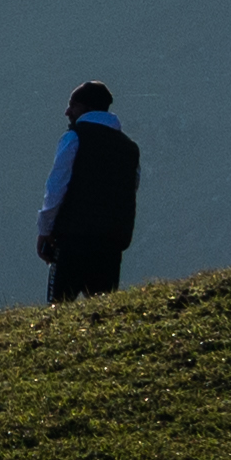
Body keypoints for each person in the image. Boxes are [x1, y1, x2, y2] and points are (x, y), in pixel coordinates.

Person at [37, 81, 140, 301]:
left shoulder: (74, 137)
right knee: (103, 310)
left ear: (84, 107)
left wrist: (45, 230)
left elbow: (56, 188)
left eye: (72, 106)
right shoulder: (129, 148)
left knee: (59, 309)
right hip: (111, 242)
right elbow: (131, 189)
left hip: (73, 240)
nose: (67, 112)